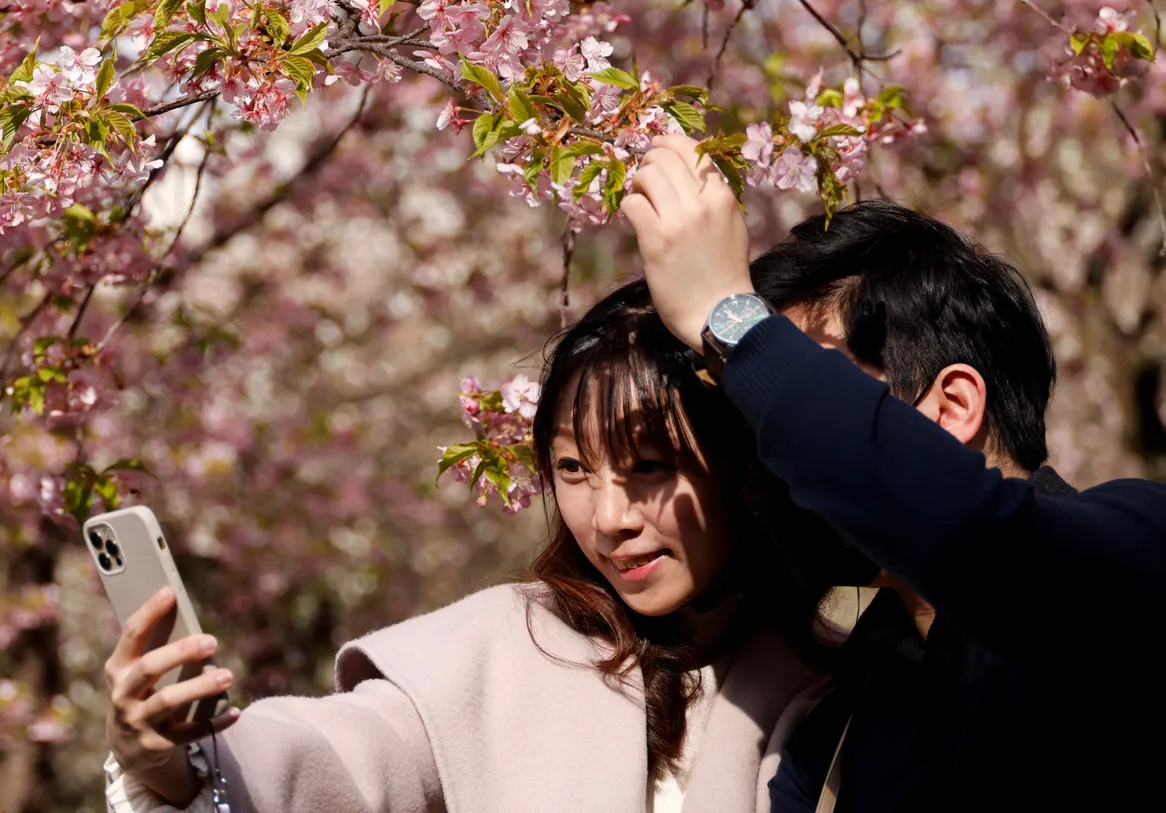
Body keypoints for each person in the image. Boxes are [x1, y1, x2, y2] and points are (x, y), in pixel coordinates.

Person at [100, 280, 836, 813]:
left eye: (649, 466)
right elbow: (335, 752)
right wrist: (169, 759)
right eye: (573, 468)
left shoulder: (838, 652)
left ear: (742, 465)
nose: (609, 516)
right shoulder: (506, 644)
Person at [622, 136, 1166, 811]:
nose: (776, 447)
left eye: (813, 373)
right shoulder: (842, 724)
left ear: (953, 405)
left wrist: (729, 318)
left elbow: (974, 534)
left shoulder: (1141, 544)